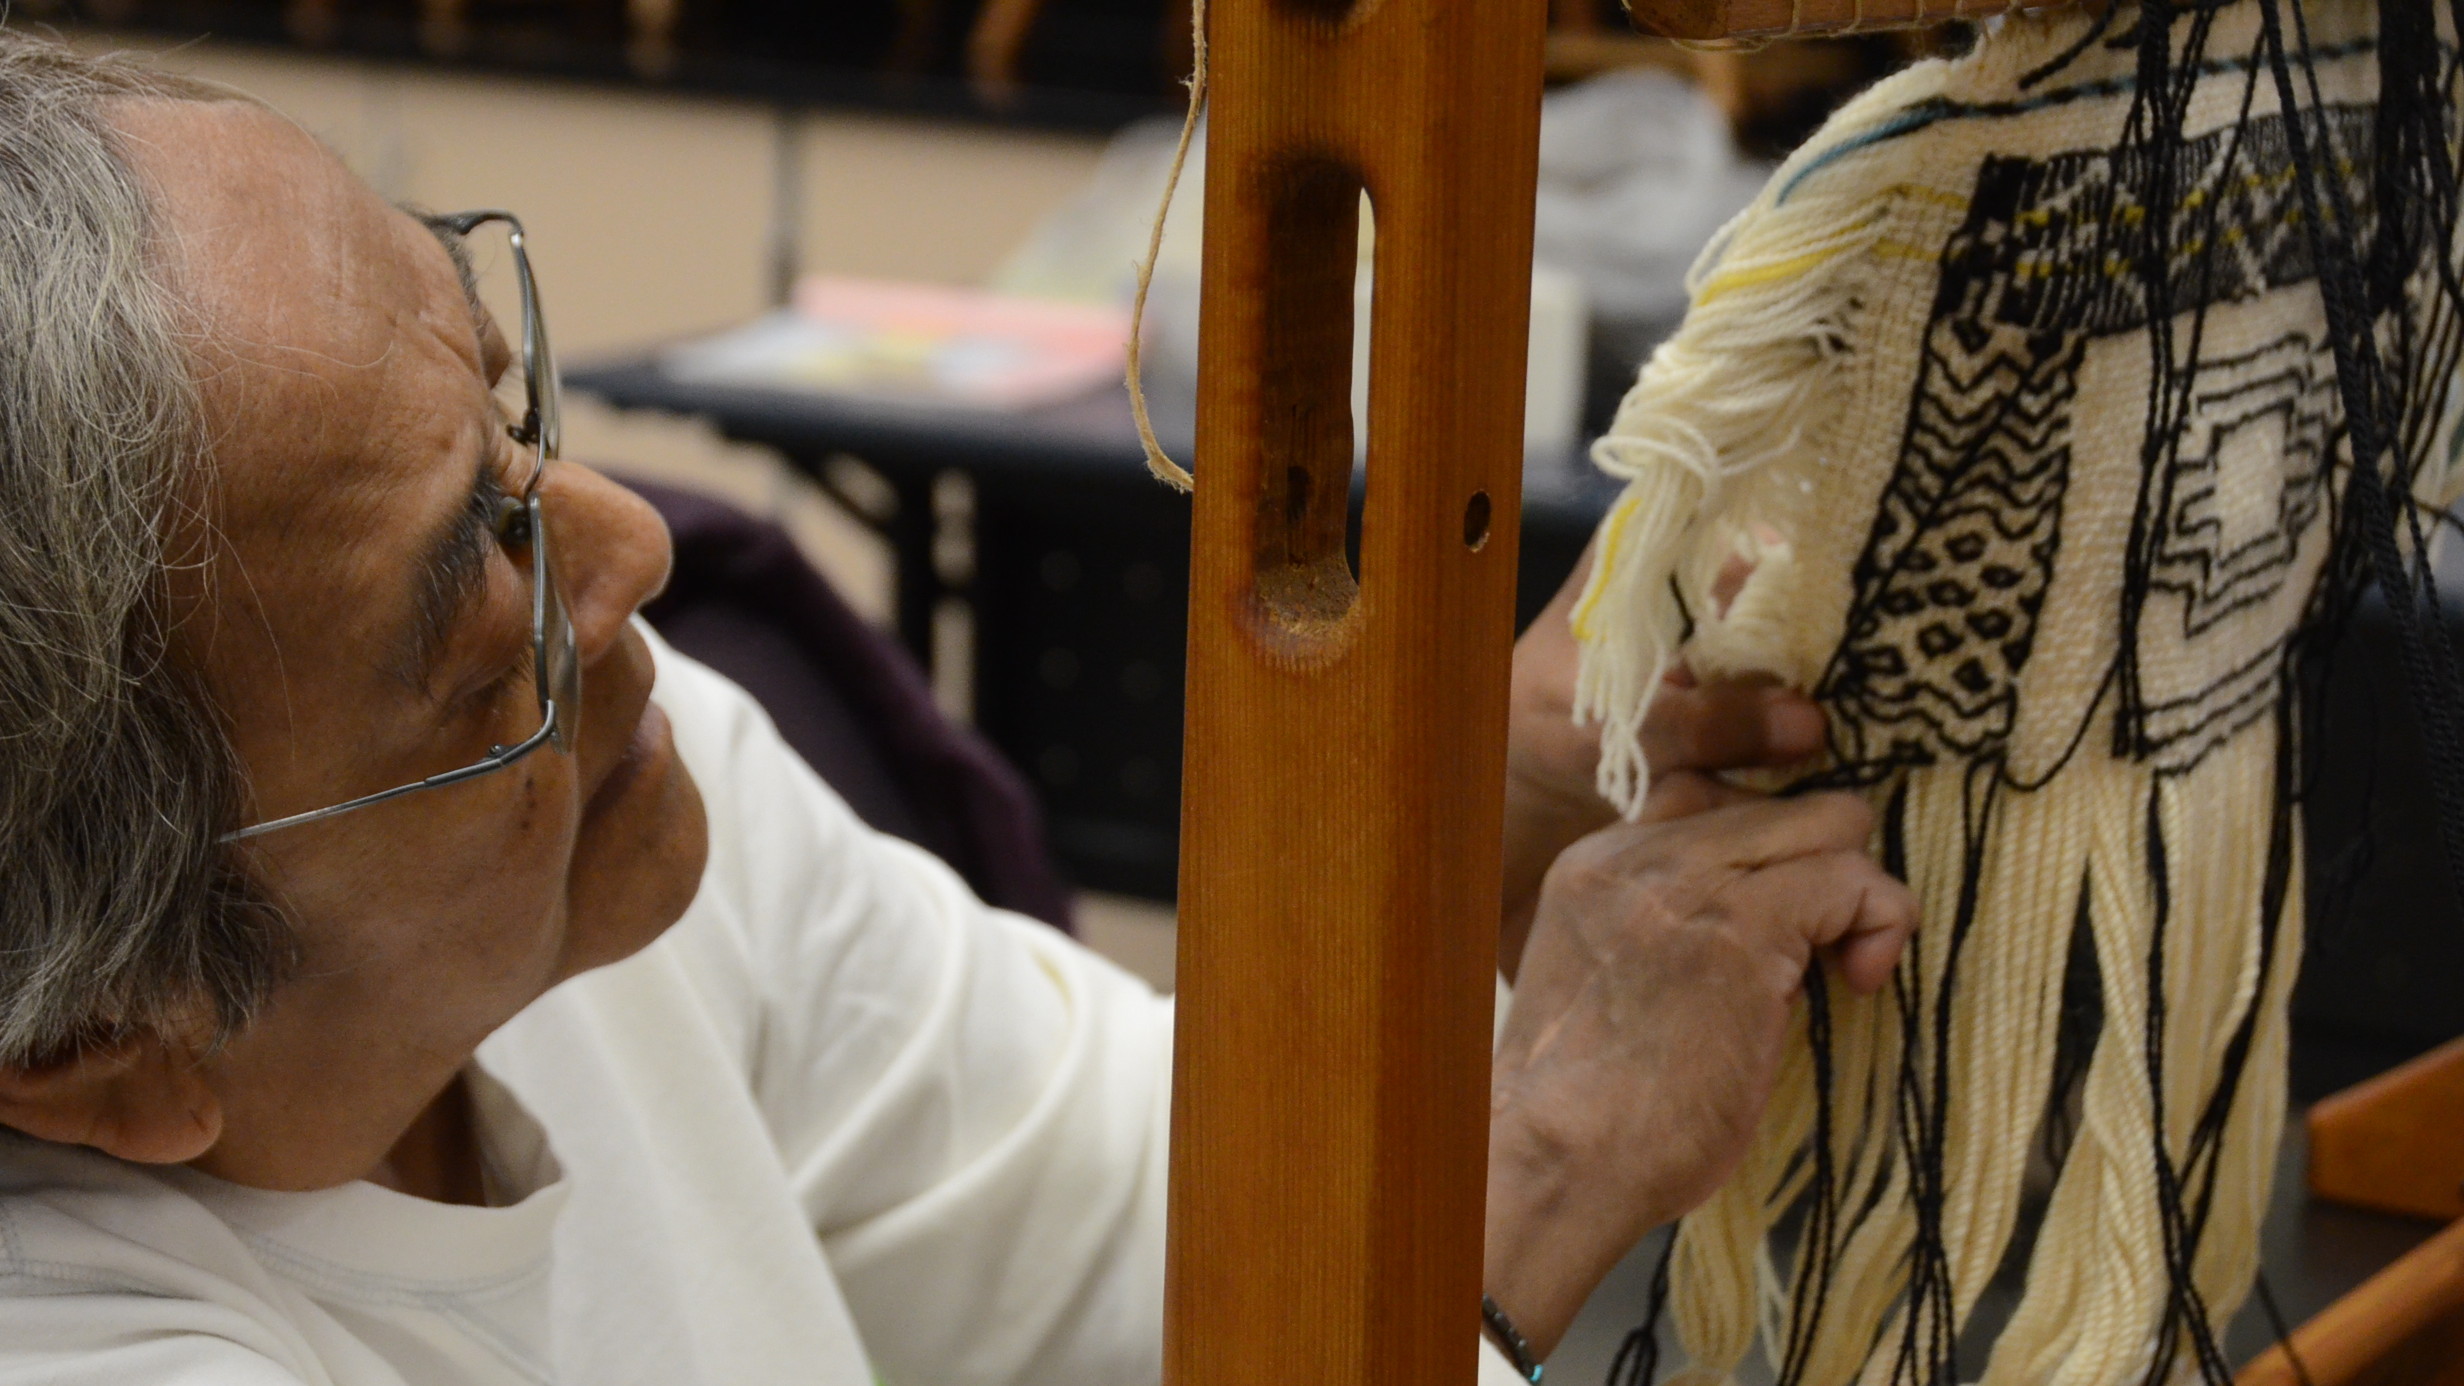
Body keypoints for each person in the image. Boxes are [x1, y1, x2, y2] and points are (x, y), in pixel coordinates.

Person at [0, 33, 1917, 1386]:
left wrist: (1464, 830)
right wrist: (1541, 1179)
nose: (637, 547)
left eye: (518, 416)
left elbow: (1144, 1213)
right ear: (108, 1047)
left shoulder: (629, 824)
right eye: (477, 595)